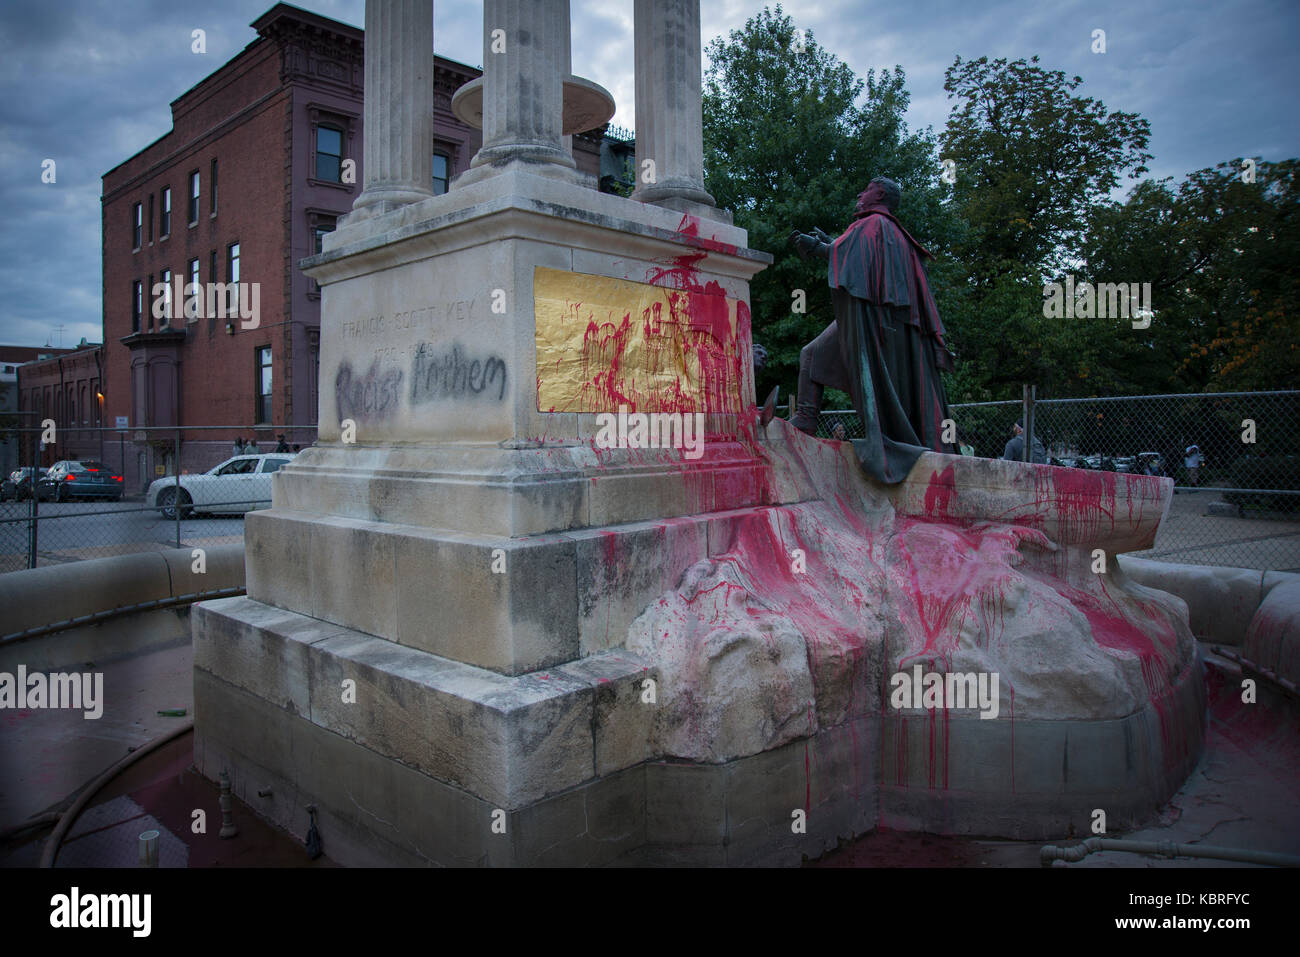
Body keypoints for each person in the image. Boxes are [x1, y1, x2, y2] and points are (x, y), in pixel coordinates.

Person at [787, 177, 956, 483]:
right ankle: (805, 419)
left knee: (810, 354)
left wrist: (817, 248)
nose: (859, 193)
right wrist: (830, 246)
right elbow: (854, 256)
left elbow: (851, 256)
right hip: (883, 325)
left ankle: (805, 421)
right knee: (812, 355)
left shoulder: (874, 224)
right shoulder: (896, 234)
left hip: (871, 324)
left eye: (864, 189)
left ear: (878, 193)